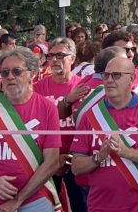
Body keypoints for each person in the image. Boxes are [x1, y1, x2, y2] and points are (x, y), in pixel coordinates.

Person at [0, 47, 62, 212]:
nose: (10, 77)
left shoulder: (48, 108)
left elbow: (52, 161)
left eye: (17, 71)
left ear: (32, 74)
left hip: (34, 198)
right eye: (4, 72)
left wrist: (18, 200)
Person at [71, 55, 138, 212]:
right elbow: (76, 167)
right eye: (106, 75)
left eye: (116, 75)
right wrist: (97, 158)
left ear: (131, 79)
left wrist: (127, 152)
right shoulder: (91, 115)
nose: (109, 80)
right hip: (99, 205)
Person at [34, 37, 85, 212]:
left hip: (76, 159)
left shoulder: (83, 86)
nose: (54, 60)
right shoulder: (37, 88)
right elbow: (35, 126)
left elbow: (87, 127)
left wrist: (69, 156)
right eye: (51, 55)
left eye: (60, 55)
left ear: (73, 58)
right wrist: (53, 159)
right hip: (46, 161)